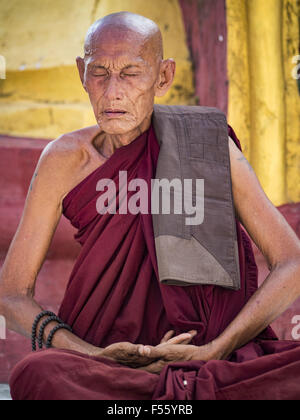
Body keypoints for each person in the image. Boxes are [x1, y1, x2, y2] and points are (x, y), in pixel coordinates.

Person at [1, 11, 300, 400]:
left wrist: (216, 348)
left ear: (163, 77)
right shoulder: (64, 160)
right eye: (99, 73)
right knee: (36, 373)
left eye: (130, 73)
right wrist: (95, 355)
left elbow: (292, 262)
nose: (112, 93)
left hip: (209, 358)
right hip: (103, 365)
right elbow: (11, 293)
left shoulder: (206, 148)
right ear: (81, 73)